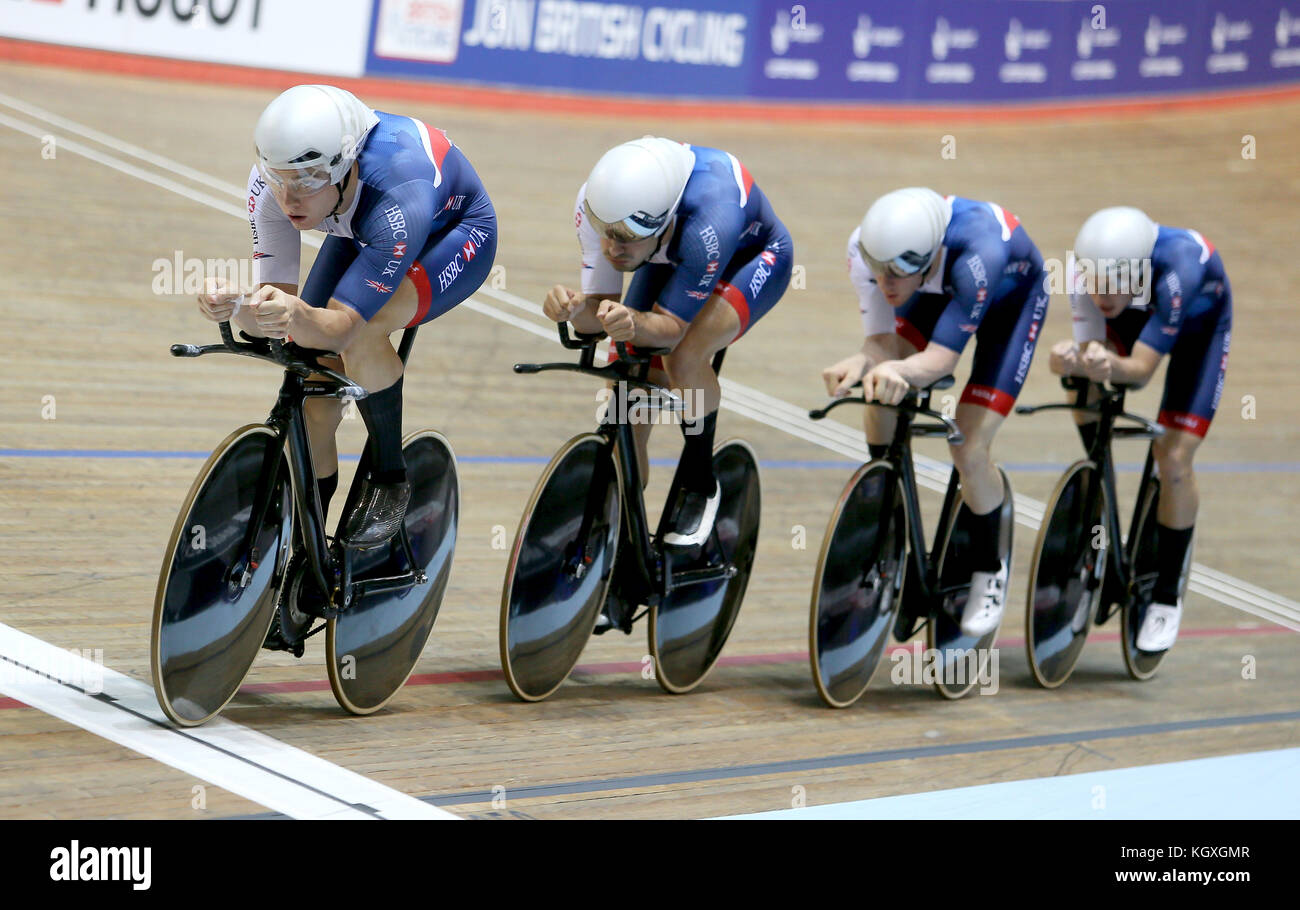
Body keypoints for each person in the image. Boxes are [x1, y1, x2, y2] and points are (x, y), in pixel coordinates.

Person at [196, 84, 496, 546]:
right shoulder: (272, 189)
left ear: (344, 166)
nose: (290, 198)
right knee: (312, 385)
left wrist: (296, 316)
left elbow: (338, 331)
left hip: (451, 234)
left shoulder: (398, 196)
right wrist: (238, 304)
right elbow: (278, 314)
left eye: (307, 179)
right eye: (279, 179)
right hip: (358, 223)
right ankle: (306, 550)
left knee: (360, 336)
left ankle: (390, 476)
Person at [542, 137, 792, 547]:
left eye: (626, 236)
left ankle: (699, 481)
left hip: (749, 258)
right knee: (625, 395)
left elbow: (670, 330)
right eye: (607, 234)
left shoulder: (710, 221)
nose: (612, 248)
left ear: (664, 220)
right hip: (668, 253)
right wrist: (572, 310)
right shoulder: (603, 207)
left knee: (684, 357)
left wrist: (633, 324)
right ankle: (623, 535)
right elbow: (599, 312)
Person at [822, 188, 1049, 637]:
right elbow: (880, 343)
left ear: (928, 257)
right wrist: (863, 362)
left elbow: (942, 362)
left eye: (898, 272)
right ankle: (886, 517)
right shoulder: (867, 249)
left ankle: (989, 568)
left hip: (1010, 302)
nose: (886, 283)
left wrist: (896, 369)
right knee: (879, 392)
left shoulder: (977, 255)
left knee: (967, 444)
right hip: (936, 291)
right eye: (878, 270)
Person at [1049, 206, 1231, 652]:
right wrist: (1075, 359)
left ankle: (1167, 596)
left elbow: (1140, 371)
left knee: (1172, 459)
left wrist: (1108, 362)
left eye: (1112, 283)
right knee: (1081, 386)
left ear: (1139, 270)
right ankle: (1097, 511)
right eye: (1094, 282)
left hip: (1198, 329)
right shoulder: (1086, 272)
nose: (1100, 293)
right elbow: (1096, 353)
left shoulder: (1179, 272)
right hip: (1137, 314)